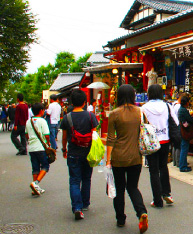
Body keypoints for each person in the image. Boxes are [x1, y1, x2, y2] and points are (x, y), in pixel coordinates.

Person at [106, 84, 148, 232]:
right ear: (132, 95)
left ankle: (121, 219)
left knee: (119, 188)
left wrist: (108, 159)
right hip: (136, 156)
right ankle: (141, 212)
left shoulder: (114, 114)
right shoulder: (140, 112)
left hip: (118, 156)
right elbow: (145, 129)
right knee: (132, 187)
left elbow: (111, 138)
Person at [60, 89, 98, 220]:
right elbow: (94, 135)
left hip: (73, 153)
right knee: (86, 178)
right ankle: (85, 203)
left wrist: (64, 150)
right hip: (88, 153)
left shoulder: (67, 117)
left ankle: (77, 207)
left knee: (75, 180)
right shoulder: (90, 116)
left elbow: (64, 137)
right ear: (84, 102)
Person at [142, 84, 179, 208]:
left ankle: (157, 200)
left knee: (153, 170)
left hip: (151, 142)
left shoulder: (144, 108)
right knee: (163, 167)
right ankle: (167, 193)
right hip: (165, 140)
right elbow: (176, 122)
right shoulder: (167, 106)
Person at [25, 103, 50, 196]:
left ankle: (35, 188)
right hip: (40, 147)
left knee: (35, 168)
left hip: (32, 148)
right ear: (41, 111)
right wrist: (48, 143)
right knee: (45, 166)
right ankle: (35, 183)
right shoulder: (42, 121)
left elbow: (26, 134)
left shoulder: (28, 121)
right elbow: (46, 135)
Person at [177, 95, 193, 172]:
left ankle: (183, 164)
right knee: (184, 149)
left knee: (183, 148)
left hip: (181, 131)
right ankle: (183, 166)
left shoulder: (181, 109)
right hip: (184, 132)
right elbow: (190, 120)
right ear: (186, 103)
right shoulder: (183, 110)